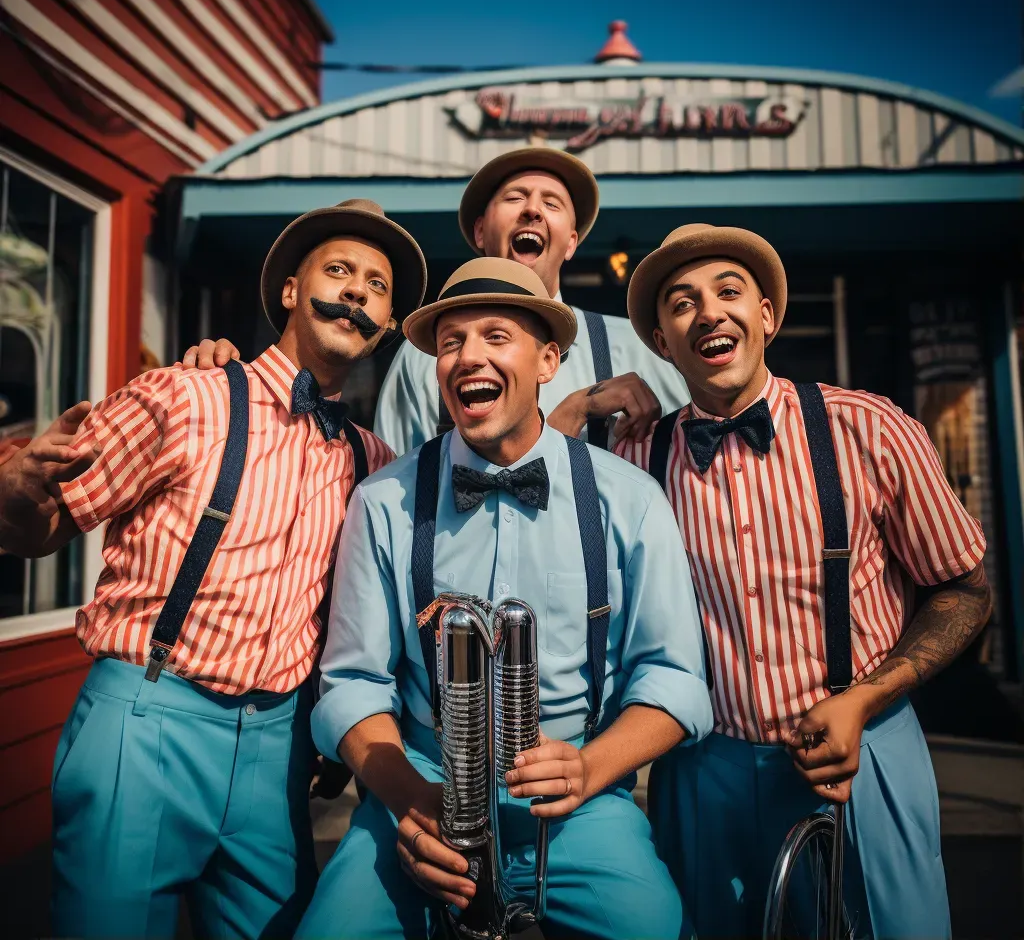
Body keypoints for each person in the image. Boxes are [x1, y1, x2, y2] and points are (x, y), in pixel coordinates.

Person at [0, 199, 426, 939]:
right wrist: (13, 490)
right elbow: (41, 529)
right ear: (291, 291)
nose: (357, 290)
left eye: (377, 285)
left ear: (386, 323)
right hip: (148, 722)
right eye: (339, 271)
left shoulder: (375, 463)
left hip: (280, 750)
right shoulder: (184, 395)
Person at [295, 257, 713, 940]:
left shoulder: (629, 498)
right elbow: (351, 687)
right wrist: (411, 800)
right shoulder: (383, 502)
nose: (468, 357)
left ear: (548, 361)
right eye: (452, 341)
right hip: (420, 784)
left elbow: (674, 681)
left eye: (495, 336)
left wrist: (590, 767)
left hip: (580, 804)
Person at [615, 222, 992, 939]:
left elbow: (965, 590)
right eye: (682, 302)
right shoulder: (634, 456)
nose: (709, 312)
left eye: (730, 292)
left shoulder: (870, 429)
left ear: (766, 316)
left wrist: (868, 698)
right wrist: (574, 412)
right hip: (702, 769)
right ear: (662, 340)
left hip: (867, 749)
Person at [184, 148, 690, 453]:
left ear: (572, 241)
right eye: (514, 198)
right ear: (478, 231)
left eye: (551, 203)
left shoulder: (633, 347)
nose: (533, 210)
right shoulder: (424, 355)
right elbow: (400, 485)